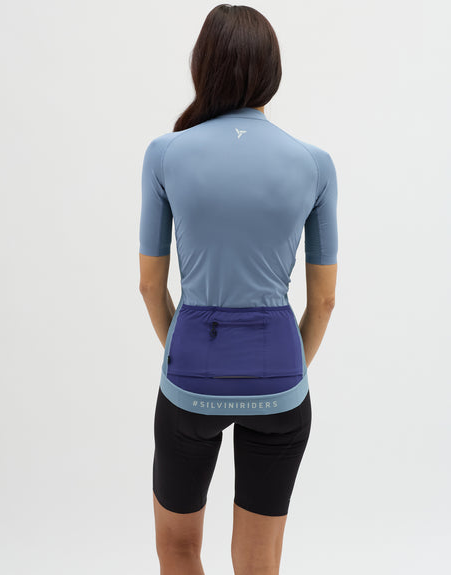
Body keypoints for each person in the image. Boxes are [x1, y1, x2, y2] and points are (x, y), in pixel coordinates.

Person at [138, 4, 338, 575]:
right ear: (272, 71)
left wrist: (186, 357)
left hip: (191, 375)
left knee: (178, 549)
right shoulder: (314, 163)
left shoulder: (166, 153)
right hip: (280, 376)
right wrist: (287, 372)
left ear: (202, 66)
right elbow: (324, 300)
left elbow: (150, 285)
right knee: (258, 561)